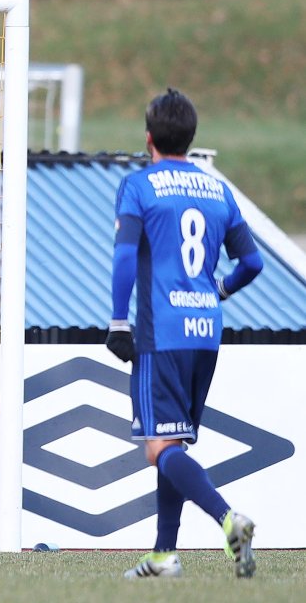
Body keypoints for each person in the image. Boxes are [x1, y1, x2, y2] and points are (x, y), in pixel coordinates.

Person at [107, 89, 263, 579]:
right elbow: (252, 262)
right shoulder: (217, 190)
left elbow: (125, 255)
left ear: (148, 138)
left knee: (158, 446)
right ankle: (163, 555)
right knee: (172, 443)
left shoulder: (139, 185)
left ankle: (229, 520)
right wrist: (219, 290)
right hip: (205, 330)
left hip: (162, 330)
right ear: (191, 138)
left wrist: (118, 320)